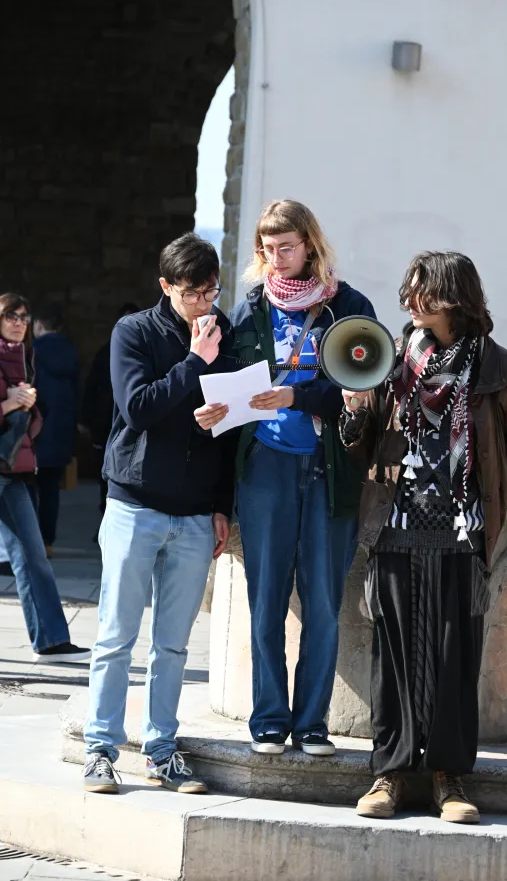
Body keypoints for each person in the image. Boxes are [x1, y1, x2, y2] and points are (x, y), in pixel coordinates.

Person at [341, 251, 507, 823]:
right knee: (397, 658)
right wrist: (353, 416)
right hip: (397, 528)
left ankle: (449, 781)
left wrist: (479, 491)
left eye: (419, 291)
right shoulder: (389, 362)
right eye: (407, 291)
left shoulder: (499, 370)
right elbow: (364, 444)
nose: (407, 301)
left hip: (461, 533)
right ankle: (389, 776)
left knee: (456, 658)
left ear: (453, 297)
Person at [196, 199, 376, 757]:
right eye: (268, 250)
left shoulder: (349, 307)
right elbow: (227, 381)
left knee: (322, 601)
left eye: (287, 248)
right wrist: (214, 410)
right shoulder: (250, 311)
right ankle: (269, 720)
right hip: (266, 469)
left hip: (328, 470)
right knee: (266, 598)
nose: (276, 259)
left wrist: (299, 394)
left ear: (310, 246)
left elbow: (366, 379)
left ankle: (313, 723)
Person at [83, 233, 236, 795]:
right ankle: (100, 749)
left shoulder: (225, 331)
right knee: (116, 636)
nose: (206, 302)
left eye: (213, 289)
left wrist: (222, 506)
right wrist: (196, 362)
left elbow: (227, 433)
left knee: (173, 643)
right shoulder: (135, 332)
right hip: (134, 504)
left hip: (196, 514)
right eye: (194, 291)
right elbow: (139, 408)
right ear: (166, 286)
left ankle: (161, 748)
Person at [0, 293, 91, 663]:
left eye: (24, 315)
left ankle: (51, 641)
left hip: (14, 471)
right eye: (10, 315)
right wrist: (9, 403)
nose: (19, 321)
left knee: (33, 554)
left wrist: (29, 407)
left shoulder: (27, 358)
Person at [80, 303, 139, 532]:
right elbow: (93, 386)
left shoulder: (148, 352)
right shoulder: (107, 352)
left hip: (128, 425)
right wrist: (86, 418)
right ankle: (107, 525)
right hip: (104, 423)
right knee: (105, 478)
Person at [33, 305, 79, 556]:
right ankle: (47, 542)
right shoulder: (71, 353)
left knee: (26, 491)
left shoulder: (33, 352)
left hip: (36, 433)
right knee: (51, 491)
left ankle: (28, 542)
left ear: (38, 324)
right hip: (61, 433)